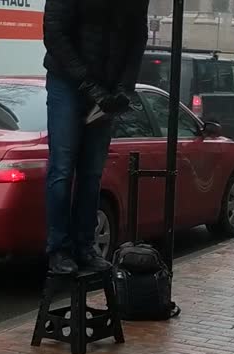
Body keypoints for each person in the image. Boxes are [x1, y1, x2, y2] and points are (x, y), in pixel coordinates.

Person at [42, 0, 150, 275]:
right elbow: (54, 34)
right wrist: (89, 85)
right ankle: (59, 249)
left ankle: (85, 246)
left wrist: (125, 86)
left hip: (108, 86)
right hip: (66, 81)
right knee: (63, 167)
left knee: (91, 173)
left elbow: (137, 37)